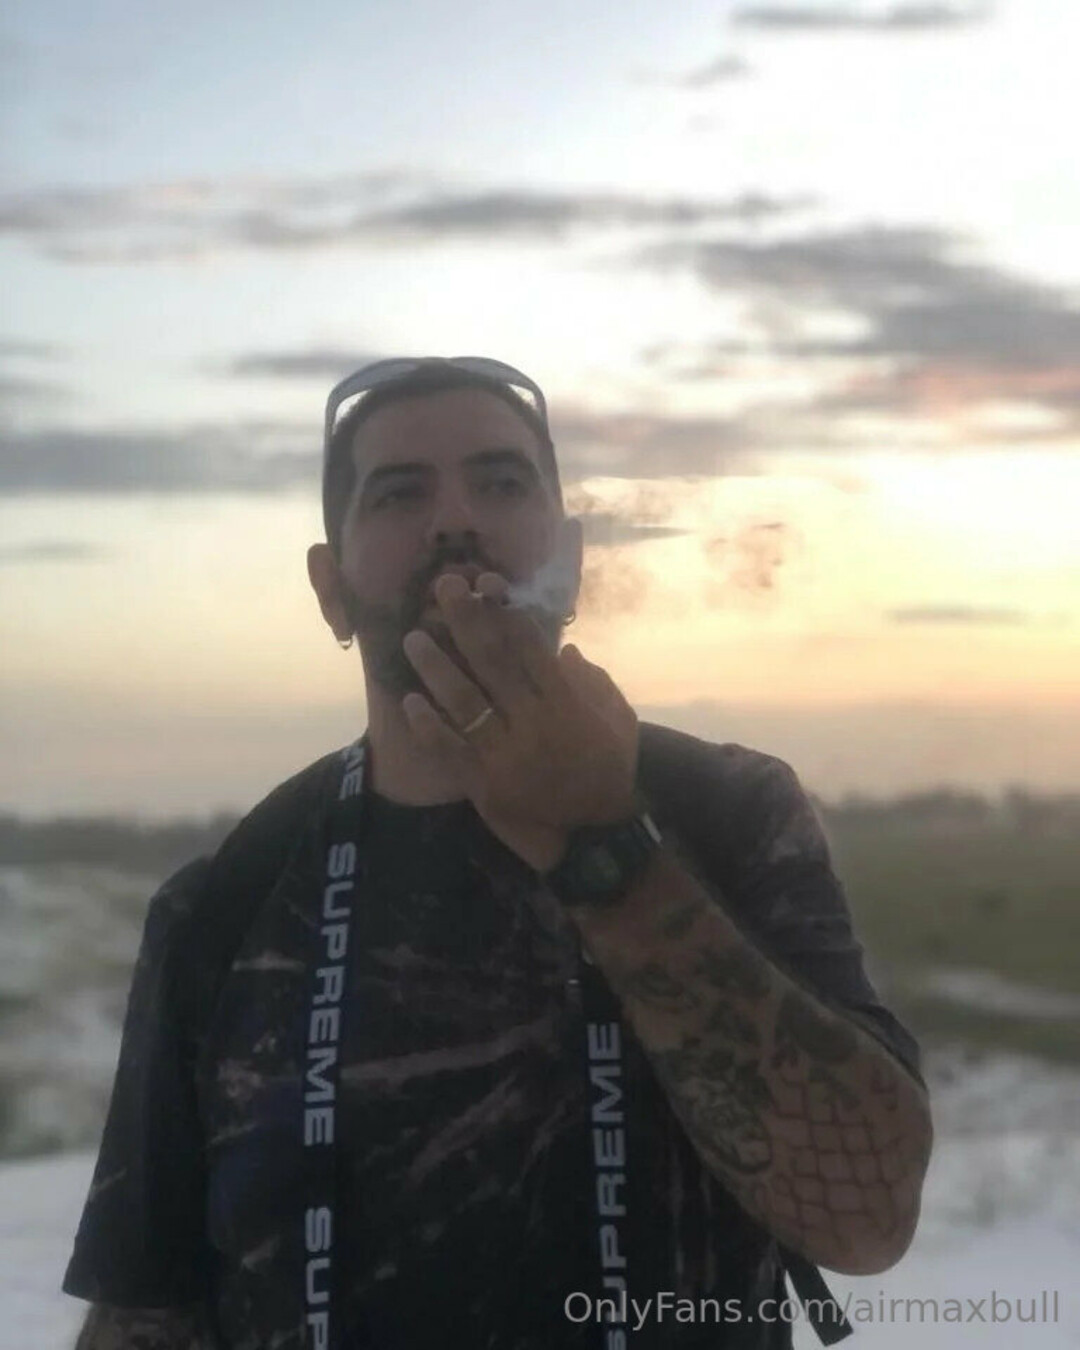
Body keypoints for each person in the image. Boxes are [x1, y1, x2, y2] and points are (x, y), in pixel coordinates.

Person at [63, 356, 933, 1349]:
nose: (455, 520)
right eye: (400, 493)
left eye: (502, 482)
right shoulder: (230, 899)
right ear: (331, 590)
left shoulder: (730, 813)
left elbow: (868, 1222)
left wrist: (608, 848)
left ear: (572, 559)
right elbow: (148, 1307)